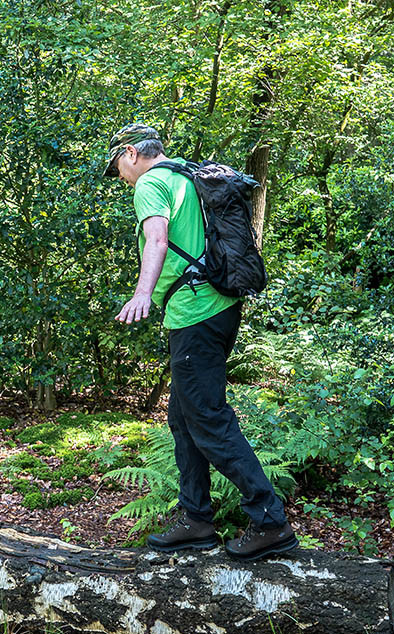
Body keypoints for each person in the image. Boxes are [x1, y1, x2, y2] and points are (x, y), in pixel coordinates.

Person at [103, 123, 297, 562]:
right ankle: (196, 520)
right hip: (217, 307)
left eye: (117, 167)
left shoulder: (153, 181)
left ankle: (271, 522)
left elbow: (157, 238)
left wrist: (142, 293)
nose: (120, 178)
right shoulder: (187, 176)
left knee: (206, 417)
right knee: (184, 417)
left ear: (131, 153)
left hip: (195, 312)